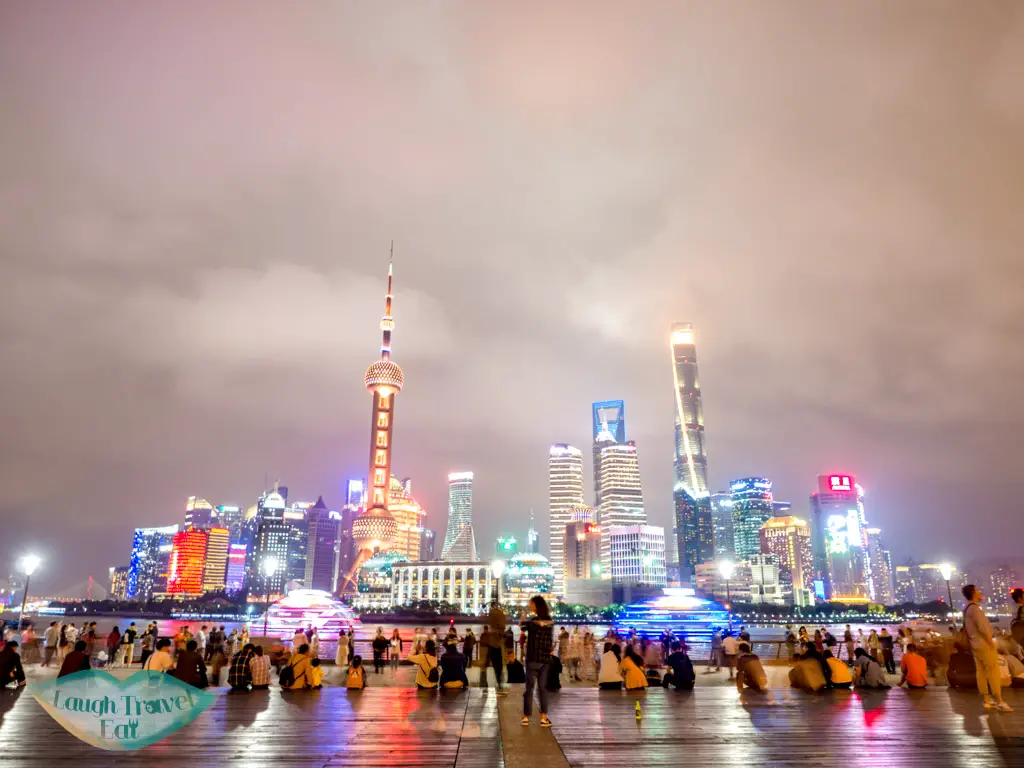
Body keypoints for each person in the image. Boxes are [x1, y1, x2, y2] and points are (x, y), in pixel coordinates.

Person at [963, 583, 1013, 711]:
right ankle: (1000, 701)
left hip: (975, 646)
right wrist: (990, 642)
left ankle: (987, 699)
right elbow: (983, 628)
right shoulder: (975, 609)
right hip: (984, 645)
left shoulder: (967, 609)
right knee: (993, 671)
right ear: (973, 593)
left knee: (981, 672)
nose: (980, 593)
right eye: (978, 590)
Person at [520, 596, 555, 727]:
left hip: (532, 658)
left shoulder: (533, 622)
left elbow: (522, 627)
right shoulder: (550, 621)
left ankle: (526, 717)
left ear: (536, 605)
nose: (530, 605)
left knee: (529, 689)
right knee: (542, 689)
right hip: (545, 659)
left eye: (531, 603)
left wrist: (522, 619)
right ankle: (544, 718)